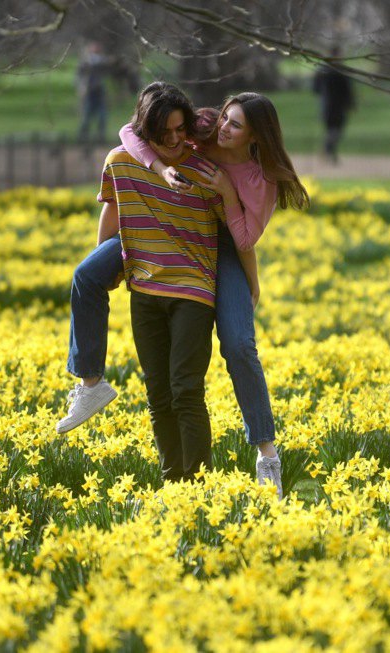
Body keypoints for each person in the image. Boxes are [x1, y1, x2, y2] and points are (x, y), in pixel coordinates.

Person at [58, 89, 309, 497]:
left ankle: (267, 455)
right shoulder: (199, 130)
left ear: (256, 136)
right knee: (87, 275)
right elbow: (130, 130)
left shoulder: (259, 180)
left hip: (224, 243)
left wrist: (228, 195)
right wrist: (157, 168)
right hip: (161, 224)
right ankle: (91, 384)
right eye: (226, 117)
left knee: (239, 345)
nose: (224, 127)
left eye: (236, 124)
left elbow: (245, 239)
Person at [92, 83, 225, 482]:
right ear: (144, 130)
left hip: (193, 289)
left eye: (179, 129)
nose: (172, 140)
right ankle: (173, 481)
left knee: (186, 389)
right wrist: (106, 266)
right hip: (145, 289)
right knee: (158, 393)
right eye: (162, 132)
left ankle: (200, 484)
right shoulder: (120, 162)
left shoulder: (204, 168)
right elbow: (112, 216)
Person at [312, 51, 355, 164]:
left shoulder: (323, 71)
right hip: (335, 106)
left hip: (328, 105)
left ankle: (329, 151)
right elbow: (348, 90)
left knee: (332, 130)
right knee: (334, 130)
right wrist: (350, 103)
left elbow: (315, 89)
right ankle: (329, 151)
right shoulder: (340, 72)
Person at [75, 41, 110, 145]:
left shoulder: (103, 62)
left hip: (100, 93)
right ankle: (82, 139)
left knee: (102, 117)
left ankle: (100, 139)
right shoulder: (85, 63)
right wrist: (81, 88)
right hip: (89, 93)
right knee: (86, 117)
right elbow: (79, 77)